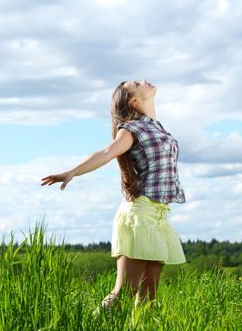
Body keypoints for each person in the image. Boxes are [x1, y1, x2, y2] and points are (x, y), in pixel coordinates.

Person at [40, 79, 186, 313]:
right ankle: (87, 326)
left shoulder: (157, 127)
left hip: (158, 216)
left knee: (149, 297)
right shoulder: (132, 128)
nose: (144, 80)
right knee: (124, 293)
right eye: (137, 83)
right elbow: (107, 152)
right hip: (140, 215)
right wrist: (72, 172)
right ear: (134, 101)